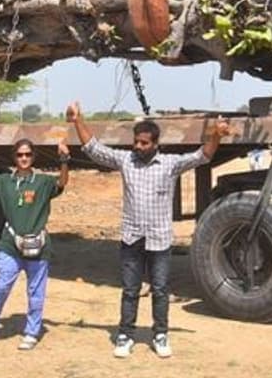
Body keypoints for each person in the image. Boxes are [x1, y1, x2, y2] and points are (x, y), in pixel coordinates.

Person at [67, 101, 228, 359]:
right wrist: (78, 120)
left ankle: (160, 335)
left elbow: (202, 156)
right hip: (132, 238)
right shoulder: (126, 161)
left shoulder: (170, 164)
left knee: (161, 290)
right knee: (130, 290)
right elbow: (94, 149)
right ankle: (125, 335)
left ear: (155, 144)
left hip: (159, 240)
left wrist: (216, 135)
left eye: (144, 143)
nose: (138, 147)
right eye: (136, 142)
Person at [0, 137, 69, 351]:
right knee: (1, 288)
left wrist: (64, 160)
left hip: (38, 247)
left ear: (33, 157)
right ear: (14, 157)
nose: (24, 158)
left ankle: (31, 332)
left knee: (36, 293)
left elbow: (61, 182)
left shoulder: (43, 182)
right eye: (20, 155)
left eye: (28, 154)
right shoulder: (3, 182)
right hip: (10, 245)